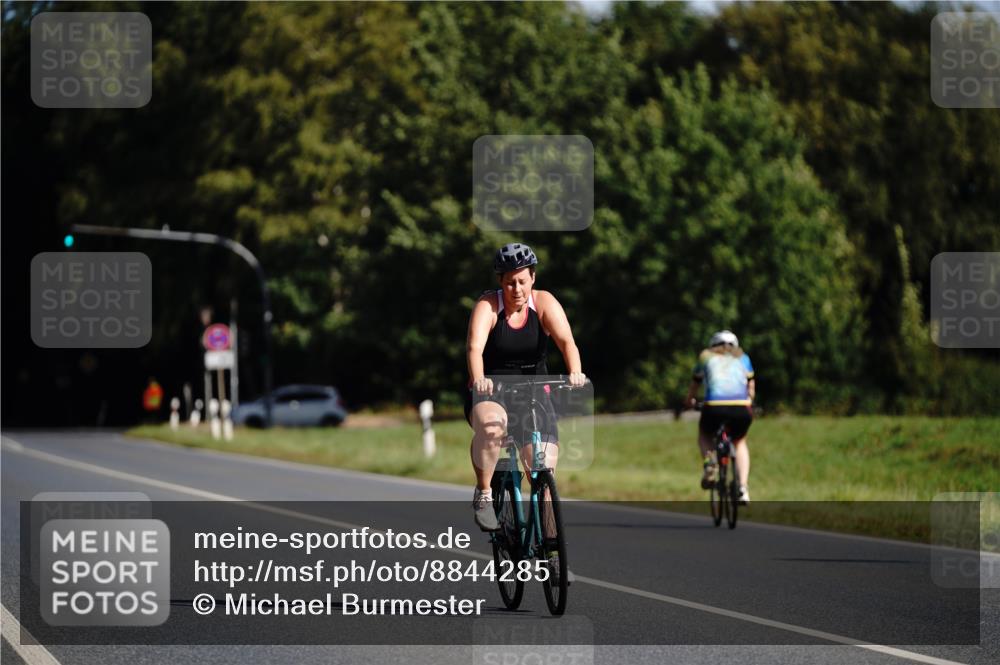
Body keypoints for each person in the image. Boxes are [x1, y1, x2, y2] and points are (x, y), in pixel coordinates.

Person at [465, 243, 586, 533]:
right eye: (509, 282)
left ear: (532, 278)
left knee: (542, 472)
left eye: (522, 281)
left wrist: (575, 371)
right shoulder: (488, 306)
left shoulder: (544, 303)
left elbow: (567, 342)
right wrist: (479, 379)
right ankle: (483, 495)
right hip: (492, 390)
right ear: (500, 282)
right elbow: (474, 347)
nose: (516, 289)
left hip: (534, 390)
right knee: (493, 429)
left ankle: (554, 558)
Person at [685, 330, 755, 504]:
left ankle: (710, 464)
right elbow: (751, 388)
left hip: (714, 407)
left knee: (705, 435)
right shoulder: (743, 358)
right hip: (741, 407)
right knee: (739, 442)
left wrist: (690, 401)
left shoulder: (706, 356)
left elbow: (695, 384)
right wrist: (750, 400)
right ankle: (743, 487)